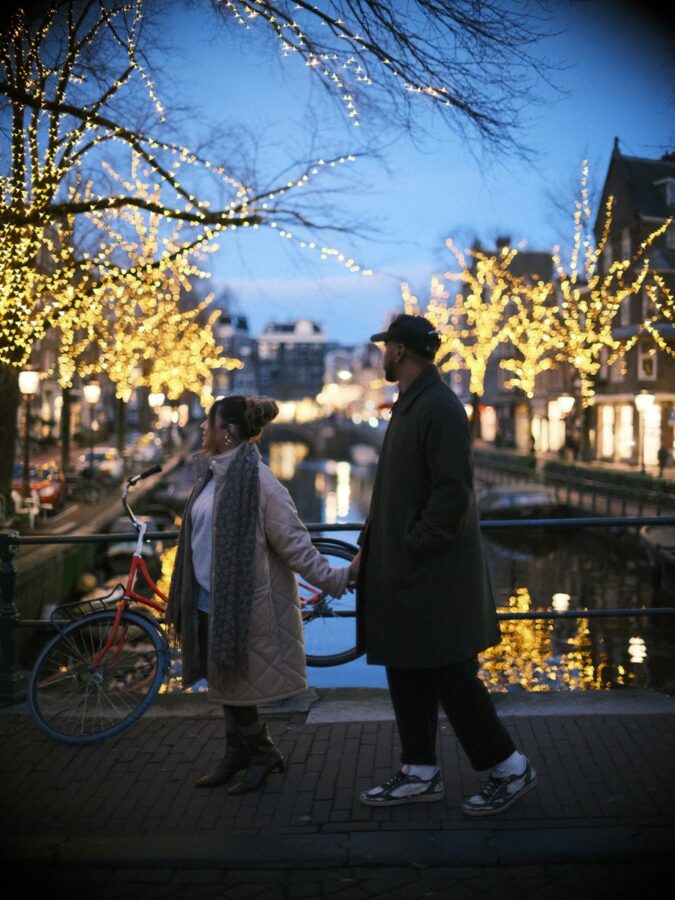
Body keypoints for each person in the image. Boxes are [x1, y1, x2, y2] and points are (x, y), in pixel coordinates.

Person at [350, 314, 537, 816]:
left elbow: (451, 494)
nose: (380, 354)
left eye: (385, 346)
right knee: (406, 668)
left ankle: (509, 766)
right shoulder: (411, 406)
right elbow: (390, 489)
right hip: (402, 570)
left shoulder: (439, 408)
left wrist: (411, 546)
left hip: (428, 574)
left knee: (450, 674)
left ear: (402, 351)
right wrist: (370, 547)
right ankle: (420, 771)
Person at [167, 395, 354, 793]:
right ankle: (236, 754)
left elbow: (294, 544)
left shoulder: (261, 484)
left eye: (209, 422)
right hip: (207, 596)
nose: (202, 428)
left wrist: (335, 578)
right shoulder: (214, 474)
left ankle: (264, 753)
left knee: (236, 686)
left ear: (228, 432)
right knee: (228, 686)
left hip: (244, 603)